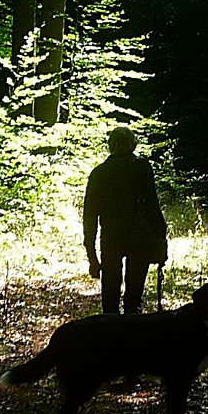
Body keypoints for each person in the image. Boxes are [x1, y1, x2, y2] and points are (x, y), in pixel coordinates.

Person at [81, 126, 167, 314]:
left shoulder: (99, 173)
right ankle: (132, 337)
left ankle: (111, 338)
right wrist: (161, 238)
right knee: (134, 300)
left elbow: (89, 216)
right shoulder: (142, 167)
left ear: (110, 145)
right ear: (133, 144)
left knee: (110, 299)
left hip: (111, 239)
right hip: (139, 238)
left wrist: (92, 256)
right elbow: (152, 206)